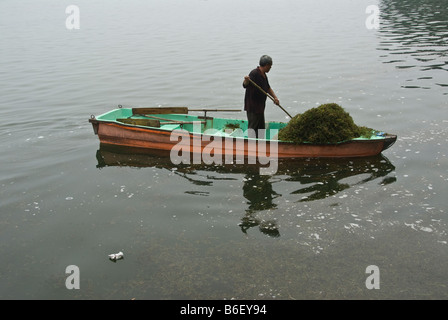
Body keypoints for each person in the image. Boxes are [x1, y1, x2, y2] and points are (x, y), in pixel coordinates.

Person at [243, 55, 280, 138]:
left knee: (261, 129)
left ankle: (260, 145)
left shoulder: (263, 75)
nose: (270, 68)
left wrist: (275, 98)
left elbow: (268, 88)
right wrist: (246, 80)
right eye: (270, 66)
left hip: (260, 107)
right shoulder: (254, 73)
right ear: (266, 65)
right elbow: (245, 85)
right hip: (253, 107)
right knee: (253, 129)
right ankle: (251, 147)